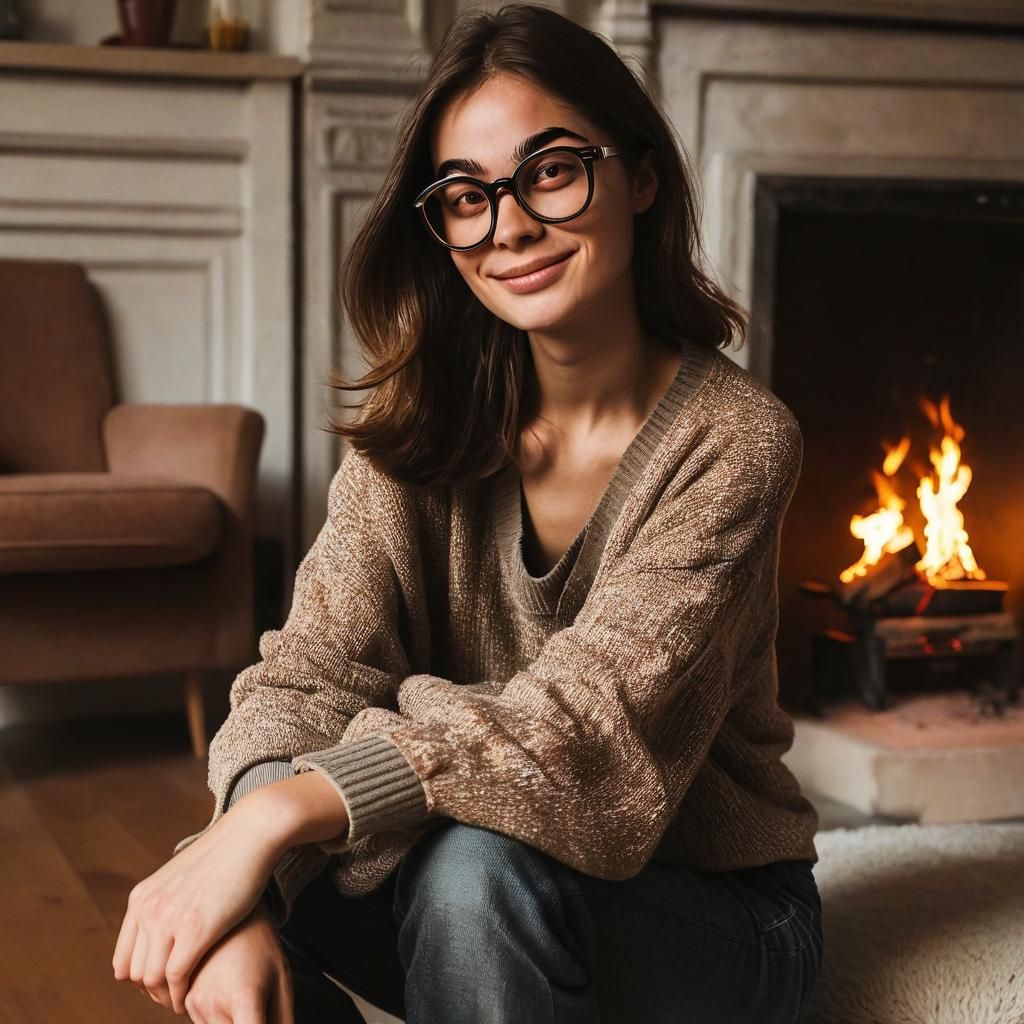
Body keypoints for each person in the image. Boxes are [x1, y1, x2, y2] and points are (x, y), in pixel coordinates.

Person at [111, 5, 824, 1022]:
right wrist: (247, 879)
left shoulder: (736, 441)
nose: (509, 226)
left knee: (463, 868)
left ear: (640, 174)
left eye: (549, 171)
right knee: (253, 901)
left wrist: (271, 818)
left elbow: (582, 729)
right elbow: (303, 676)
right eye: (464, 197)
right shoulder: (417, 435)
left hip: (713, 911)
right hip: (484, 881)